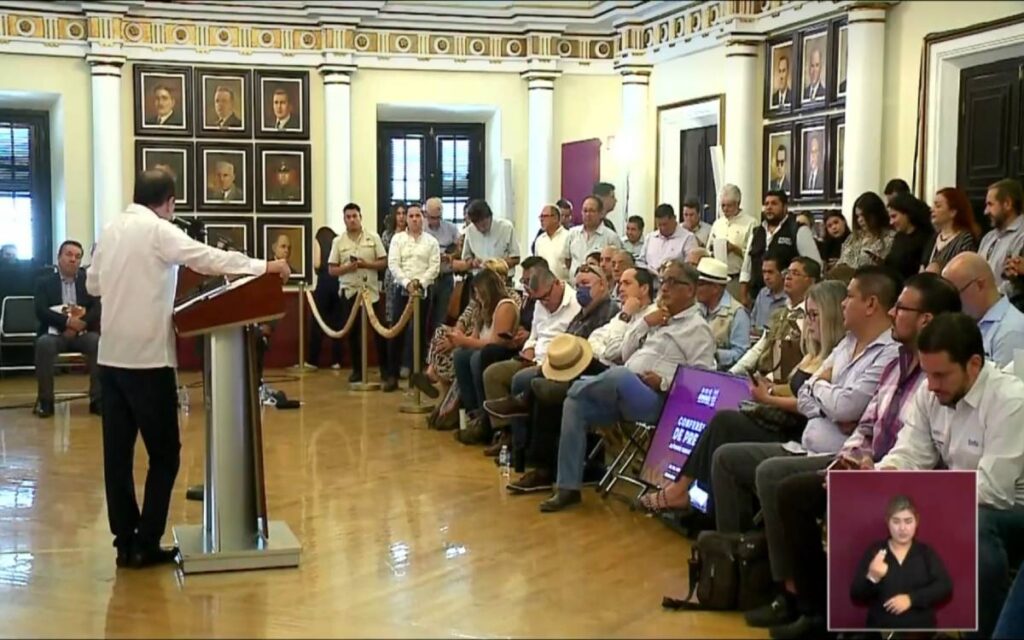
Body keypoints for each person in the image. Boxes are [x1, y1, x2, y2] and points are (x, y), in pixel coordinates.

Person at [86, 169, 290, 569]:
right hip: (148, 361)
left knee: (118, 457)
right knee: (165, 455)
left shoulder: (110, 230)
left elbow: (93, 286)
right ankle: (146, 542)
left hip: (110, 360)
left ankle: (125, 543)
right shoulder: (159, 231)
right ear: (169, 202)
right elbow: (209, 259)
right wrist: (266, 266)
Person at [740, 273, 961, 638]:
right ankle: (807, 604)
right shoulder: (897, 364)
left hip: (904, 479)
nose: (893, 313)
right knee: (790, 489)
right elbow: (864, 423)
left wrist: (869, 470)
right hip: (869, 464)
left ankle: (831, 613)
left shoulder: (936, 375)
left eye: (901, 308)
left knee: (790, 486)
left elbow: (860, 417)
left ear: (926, 319)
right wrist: (847, 459)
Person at [639, 279, 846, 514]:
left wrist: (769, 398)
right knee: (723, 421)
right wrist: (771, 388)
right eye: (807, 315)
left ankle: (681, 491)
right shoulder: (813, 354)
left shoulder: (835, 359)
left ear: (831, 317)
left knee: (724, 423)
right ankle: (693, 498)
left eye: (814, 315)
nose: (808, 322)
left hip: (797, 429)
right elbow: (797, 389)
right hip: (780, 417)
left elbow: (812, 404)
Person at [876, 312, 1024, 638]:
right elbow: (910, 454)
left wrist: (922, 496)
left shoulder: (1011, 400)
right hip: (960, 499)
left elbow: (994, 492)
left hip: (1010, 511)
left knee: (975, 523)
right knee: (870, 505)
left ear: (974, 365)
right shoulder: (932, 391)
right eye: (927, 374)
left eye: (941, 375)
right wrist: (882, 477)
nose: (931, 385)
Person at [540, 260, 716, 512]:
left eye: (672, 282)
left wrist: (664, 382)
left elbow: (703, 381)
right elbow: (624, 352)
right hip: (625, 390)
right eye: (663, 281)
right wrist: (645, 323)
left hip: (659, 401)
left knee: (619, 375)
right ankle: (568, 488)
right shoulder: (658, 316)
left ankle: (573, 385)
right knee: (574, 405)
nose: (664, 288)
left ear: (690, 290)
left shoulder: (698, 329)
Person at [848, 495, 953, 631]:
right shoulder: (875, 551)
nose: (902, 528)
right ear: (887, 522)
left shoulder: (926, 553)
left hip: (920, 632)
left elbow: (945, 587)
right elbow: (856, 595)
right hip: (881, 631)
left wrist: (911, 599)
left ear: (917, 522)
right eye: (896, 521)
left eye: (908, 521)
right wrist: (872, 576)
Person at [33, 240, 102, 417]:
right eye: (69, 255)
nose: (73, 259)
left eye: (78, 256)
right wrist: (67, 322)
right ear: (59, 258)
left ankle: (98, 400)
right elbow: (41, 310)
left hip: (81, 333)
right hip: (55, 333)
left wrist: (80, 324)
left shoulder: (88, 281)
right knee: (44, 344)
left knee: (97, 342)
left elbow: (97, 308)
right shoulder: (44, 282)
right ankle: (45, 401)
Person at [731, 256, 820, 382]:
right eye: (787, 272)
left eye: (795, 273)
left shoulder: (813, 318)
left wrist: (769, 381)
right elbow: (760, 348)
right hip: (763, 377)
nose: (788, 277)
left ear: (811, 282)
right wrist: (733, 372)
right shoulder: (779, 313)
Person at [328, 203, 388, 383]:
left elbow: (384, 263)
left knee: (380, 333)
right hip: (350, 293)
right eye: (348, 217)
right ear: (344, 219)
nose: (352, 220)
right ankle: (357, 370)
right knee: (353, 334)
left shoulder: (373, 237)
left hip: (371, 293)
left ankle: (386, 370)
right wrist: (348, 267)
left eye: (355, 216)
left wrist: (365, 265)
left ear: (360, 217)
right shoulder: (338, 242)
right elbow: (332, 270)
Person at [384, 203, 440, 392]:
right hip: (402, 290)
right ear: (406, 219)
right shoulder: (398, 239)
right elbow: (393, 264)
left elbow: (434, 267)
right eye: (411, 216)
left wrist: (420, 283)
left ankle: (416, 376)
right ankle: (392, 375)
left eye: (418, 216)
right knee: (396, 332)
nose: (415, 219)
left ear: (423, 218)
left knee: (419, 333)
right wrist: (407, 283)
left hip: (422, 291)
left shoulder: (431, 242)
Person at [740, 190, 822, 308]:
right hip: (758, 298)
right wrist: (743, 294)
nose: (769, 207)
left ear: (785, 207)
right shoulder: (757, 232)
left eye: (774, 203)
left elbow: (814, 266)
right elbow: (746, 266)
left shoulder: (798, 230)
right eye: (766, 204)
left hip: (787, 299)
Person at [941, 251, 1024, 367]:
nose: (953, 304)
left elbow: (1008, 379)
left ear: (979, 285)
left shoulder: (1012, 331)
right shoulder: (967, 324)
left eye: (956, 295)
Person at [695, 257, 750, 370]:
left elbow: (742, 352)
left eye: (700, 284)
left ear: (715, 288)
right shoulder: (695, 308)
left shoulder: (737, 313)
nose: (695, 288)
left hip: (721, 373)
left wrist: (714, 354)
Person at [707, 184, 757, 298]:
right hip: (717, 279)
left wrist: (734, 248)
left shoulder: (750, 223)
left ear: (738, 203)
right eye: (722, 205)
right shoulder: (717, 224)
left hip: (737, 280)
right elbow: (708, 249)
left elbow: (752, 256)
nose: (725, 209)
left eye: (729, 205)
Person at [979, 179, 1024, 304]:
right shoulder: (988, 238)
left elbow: (1014, 286)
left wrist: (990, 300)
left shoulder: (1021, 236)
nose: (986, 211)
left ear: (1007, 204)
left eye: (990, 204)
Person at [305, 226, 342, 370]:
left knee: (318, 322)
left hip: (323, 284)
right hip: (338, 283)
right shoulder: (338, 240)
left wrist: (317, 270)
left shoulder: (319, 237)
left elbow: (317, 263)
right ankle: (336, 361)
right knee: (338, 324)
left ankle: (313, 361)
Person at [424, 196, 462, 335]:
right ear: (426, 214)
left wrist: (452, 255)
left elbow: (461, 248)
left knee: (441, 316)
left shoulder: (450, 228)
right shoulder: (421, 228)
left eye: (438, 217)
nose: (435, 221)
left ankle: (437, 342)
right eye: (432, 217)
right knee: (425, 315)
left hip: (445, 277)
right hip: (427, 278)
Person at [561, 195, 622, 278]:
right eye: (585, 211)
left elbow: (616, 263)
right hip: (575, 283)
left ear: (601, 214)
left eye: (592, 211)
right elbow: (567, 260)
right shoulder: (572, 233)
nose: (588, 214)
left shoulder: (611, 237)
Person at [920, 187, 979, 272]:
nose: (932, 209)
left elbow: (964, 271)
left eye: (938, 206)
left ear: (953, 212)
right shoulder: (933, 238)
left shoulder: (965, 239)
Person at [454, 199, 519, 275]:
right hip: (480, 277)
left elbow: (516, 258)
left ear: (490, 217)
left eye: (484, 224)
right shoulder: (470, 230)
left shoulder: (506, 228)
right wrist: (473, 262)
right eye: (477, 226)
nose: (481, 228)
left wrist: (496, 266)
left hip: (503, 277)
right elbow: (466, 257)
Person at [837, 191, 895, 269]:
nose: (860, 220)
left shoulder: (890, 238)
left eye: (863, 215)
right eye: (857, 216)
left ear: (875, 214)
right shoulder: (852, 238)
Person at [884, 193, 932, 279]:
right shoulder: (899, 237)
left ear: (907, 214)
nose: (891, 222)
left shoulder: (926, 239)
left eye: (894, 216)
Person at [641, 203, 698, 276]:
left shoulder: (688, 238)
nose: (662, 228)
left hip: (674, 280)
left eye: (665, 224)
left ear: (674, 218)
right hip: (650, 279)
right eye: (659, 225)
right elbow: (641, 261)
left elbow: (690, 269)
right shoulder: (650, 238)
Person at [749, 256, 788, 332]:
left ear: (783, 274)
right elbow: (752, 320)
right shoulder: (762, 293)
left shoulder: (790, 298)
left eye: (770, 272)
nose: (766, 277)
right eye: (764, 272)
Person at [533, 204, 570, 281]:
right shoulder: (540, 240)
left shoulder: (568, 237)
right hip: (543, 284)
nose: (541, 220)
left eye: (544, 216)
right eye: (540, 217)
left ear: (555, 218)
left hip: (564, 284)